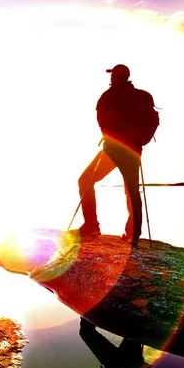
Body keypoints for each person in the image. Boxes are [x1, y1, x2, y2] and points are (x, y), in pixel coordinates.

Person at [77, 64, 151, 246]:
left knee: (85, 181)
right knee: (132, 190)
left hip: (113, 150)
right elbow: (151, 120)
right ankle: (133, 234)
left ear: (115, 77)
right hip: (134, 150)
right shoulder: (142, 97)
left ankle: (91, 226)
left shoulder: (108, 97)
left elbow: (102, 122)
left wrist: (112, 139)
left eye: (112, 75)